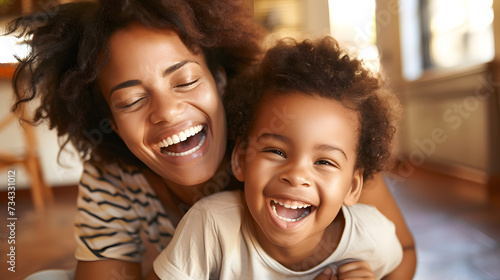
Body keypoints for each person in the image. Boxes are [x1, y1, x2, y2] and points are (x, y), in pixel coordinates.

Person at [7, 0, 415, 279]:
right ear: (109, 120)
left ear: (219, 80)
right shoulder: (112, 177)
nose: (166, 112)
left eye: (185, 80)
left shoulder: (304, 137)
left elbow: (401, 251)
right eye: (131, 100)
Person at [152, 37, 404, 280]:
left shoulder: (371, 236)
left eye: (324, 162)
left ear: (352, 187)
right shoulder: (210, 225)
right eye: (277, 152)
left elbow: (404, 259)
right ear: (240, 158)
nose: (296, 175)